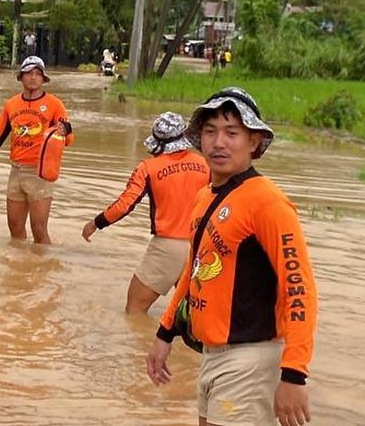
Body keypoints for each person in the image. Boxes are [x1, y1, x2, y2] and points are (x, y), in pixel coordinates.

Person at [145, 87, 318, 426]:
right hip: (212, 354)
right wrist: (165, 333)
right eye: (210, 132)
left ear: (254, 141)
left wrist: (294, 374)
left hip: (251, 358)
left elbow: (299, 289)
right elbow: (193, 272)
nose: (218, 143)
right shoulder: (205, 197)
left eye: (231, 133)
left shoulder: (267, 202)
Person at [81, 112, 208, 312]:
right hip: (201, 245)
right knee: (193, 312)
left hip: (167, 247)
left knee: (134, 309)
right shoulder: (206, 165)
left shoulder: (148, 168)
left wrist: (95, 223)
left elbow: (125, 205)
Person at [0, 55, 72, 244]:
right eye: (28, 73)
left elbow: (68, 140)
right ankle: (19, 262)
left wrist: (66, 130)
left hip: (40, 173)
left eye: (37, 73)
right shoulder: (11, 104)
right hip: (16, 170)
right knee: (15, 227)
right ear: (21, 77)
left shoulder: (54, 104)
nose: (33, 77)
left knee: (39, 229)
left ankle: (44, 261)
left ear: (43, 78)